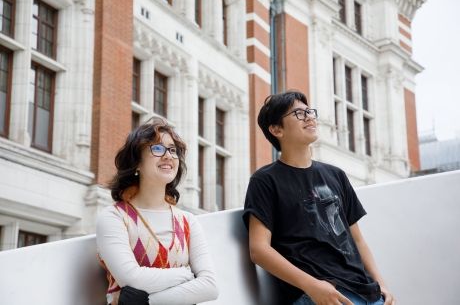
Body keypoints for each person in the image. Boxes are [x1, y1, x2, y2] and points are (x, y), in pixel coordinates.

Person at [243, 91, 395, 305]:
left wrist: (381, 284)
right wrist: (311, 285)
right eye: (298, 113)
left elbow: (357, 239)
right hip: (316, 294)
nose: (309, 117)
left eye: (310, 111)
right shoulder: (265, 180)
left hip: (366, 292)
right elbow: (259, 249)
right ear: (276, 129)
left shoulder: (336, 175)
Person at [96, 118, 218, 305]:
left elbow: (210, 286)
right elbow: (132, 279)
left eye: (172, 150)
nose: (168, 156)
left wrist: (146, 302)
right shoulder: (115, 217)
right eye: (157, 148)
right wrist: (186, 275)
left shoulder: (187, 221)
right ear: (136, 162)